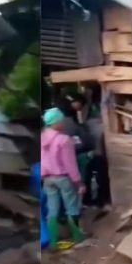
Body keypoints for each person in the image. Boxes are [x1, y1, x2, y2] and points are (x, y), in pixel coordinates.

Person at [41, 107, 86, 250]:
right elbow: (70, 164)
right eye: (61, 120)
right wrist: (79, 183)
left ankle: (54, 242)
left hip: (48, 179)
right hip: (63, 178)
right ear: (56, 122)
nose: (63, 123)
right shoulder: (64, 140)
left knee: (52, 210)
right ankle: (78, 237)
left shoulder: (43, 137)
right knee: (72, 207)